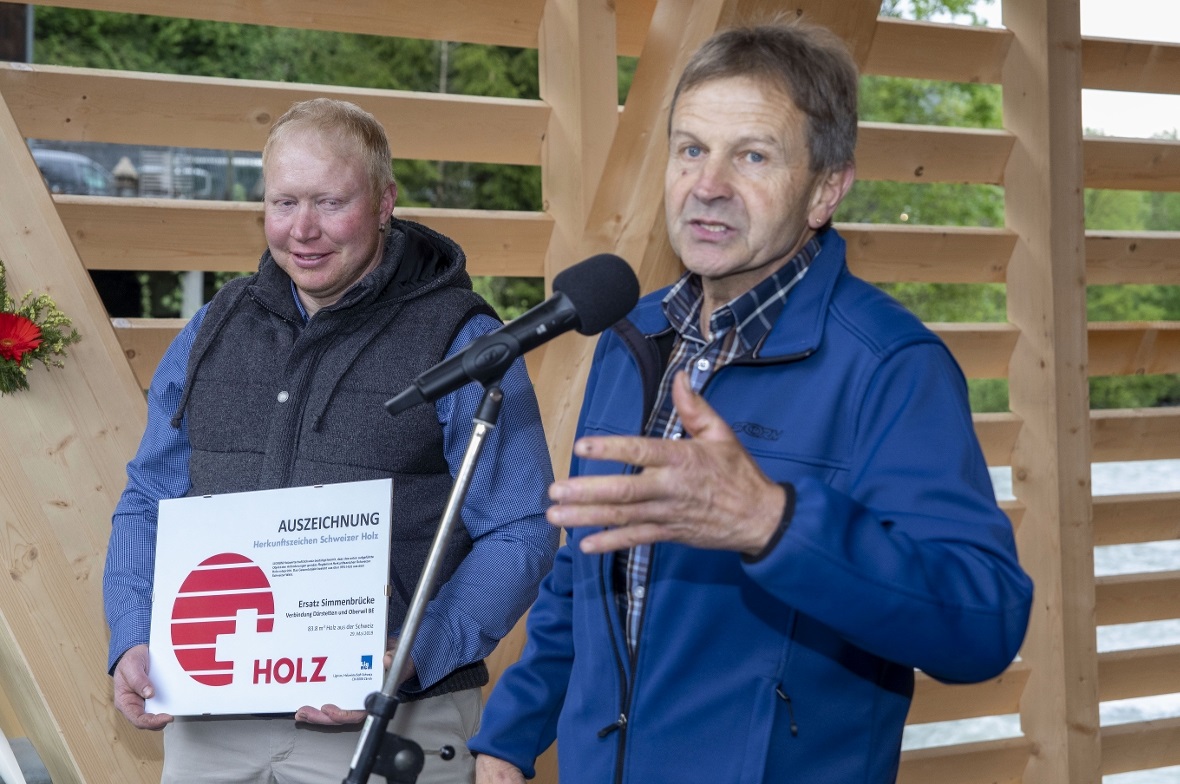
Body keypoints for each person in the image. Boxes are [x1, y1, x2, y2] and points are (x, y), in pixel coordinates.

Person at [469, 20, 1033, 784]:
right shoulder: (631, 336)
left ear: (826, 189)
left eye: (753, 156)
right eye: (692, 149)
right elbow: (589, 568)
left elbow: (985, 623)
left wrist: (773, 524)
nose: (708, 185)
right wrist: (510, 736)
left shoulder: (892, 367)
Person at [103, 97, 559, 783]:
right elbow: (149, 497)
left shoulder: (463, 341)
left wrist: (415, 648)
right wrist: (132, 631)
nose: (303, 230)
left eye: (330, 202)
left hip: (391, 722)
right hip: (213, 722)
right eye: (284, 203)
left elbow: (523, 528)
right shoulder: (211, 330)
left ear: (383, 202)